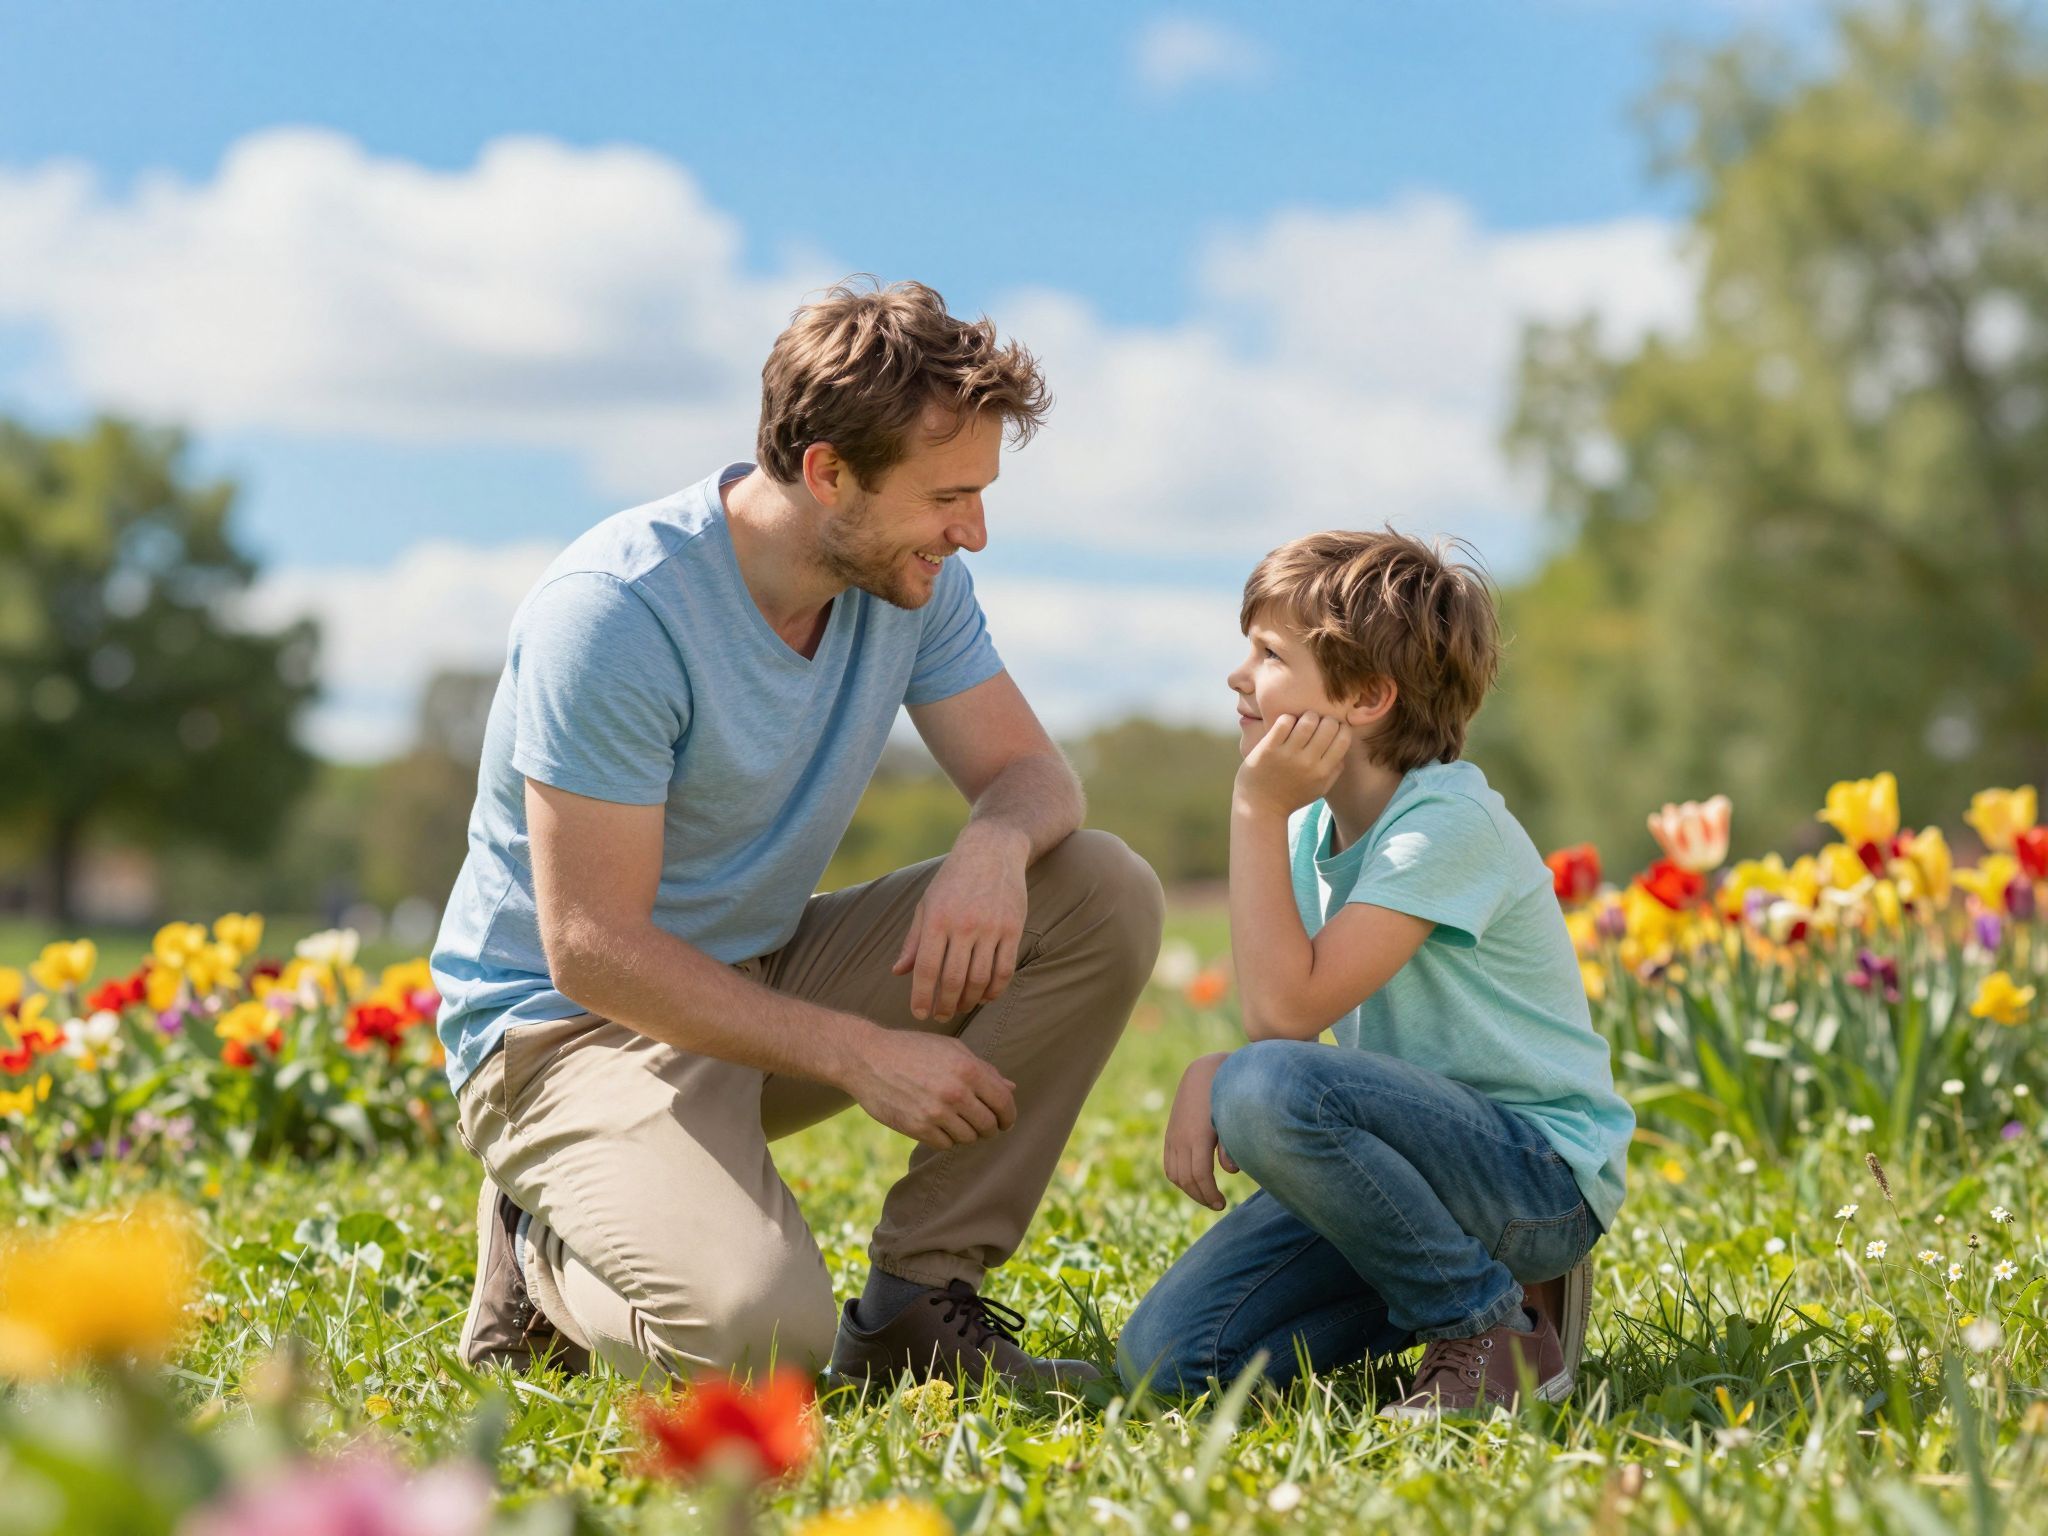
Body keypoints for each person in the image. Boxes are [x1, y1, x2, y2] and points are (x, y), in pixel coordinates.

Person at [432, 278, 1164, 1388]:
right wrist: (858, 1053)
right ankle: (539, 1249)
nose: (971, 531)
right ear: (827, 473)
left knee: (1098, 889)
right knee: (759, 1345)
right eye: (947, 497)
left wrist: (993, 847)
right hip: (566, 1037)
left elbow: (1030, 776)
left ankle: (919, 1304)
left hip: (756, 977)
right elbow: (589, 948)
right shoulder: (616, 613)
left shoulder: (912, 581)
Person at [1116, 530, 1632, 1415]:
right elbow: (1285, 1027)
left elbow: (1281, 1024)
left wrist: (1253, 806)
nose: (1238, 677)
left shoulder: (1448, 824)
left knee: (1263, 1085)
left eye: (1269, 655)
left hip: (1533, 1178)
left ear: (1365, 696)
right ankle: (1480, 1289)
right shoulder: (1308, 833)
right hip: (1404, 1172)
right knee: (1168, 1362)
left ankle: (1491, 1331)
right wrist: (1219, 1066)